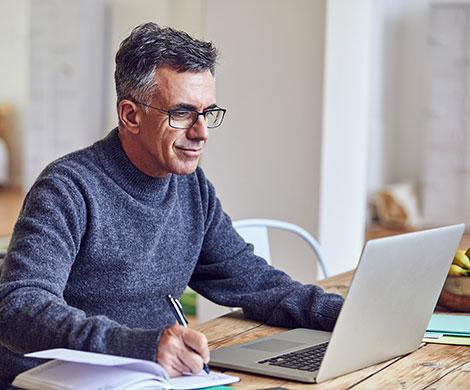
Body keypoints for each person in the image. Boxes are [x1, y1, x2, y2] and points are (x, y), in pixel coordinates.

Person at [0, 23, 344, 386]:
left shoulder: (190, 185)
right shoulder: (68, 188)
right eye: (182, 114)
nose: (201, 133)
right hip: (55, 382)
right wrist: (139, 345)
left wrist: (347, 314)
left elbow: (252, 280)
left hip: (156, 376)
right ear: (131, 115)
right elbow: (17, 307)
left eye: (207, 112)